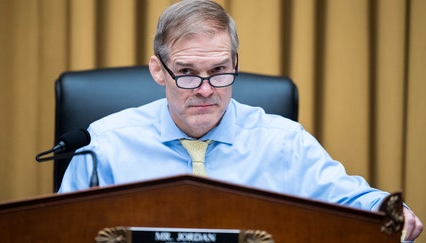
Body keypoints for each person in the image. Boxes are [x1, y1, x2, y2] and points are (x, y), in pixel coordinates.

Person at [58, 0, 423, 240]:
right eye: (186, 72)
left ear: (235, 64)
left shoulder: (283, 141)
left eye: (219, 70)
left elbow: (352, 199)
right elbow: (60, 232)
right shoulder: (103, 144)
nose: (205, 89)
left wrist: (391, 213)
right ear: (158, 70)